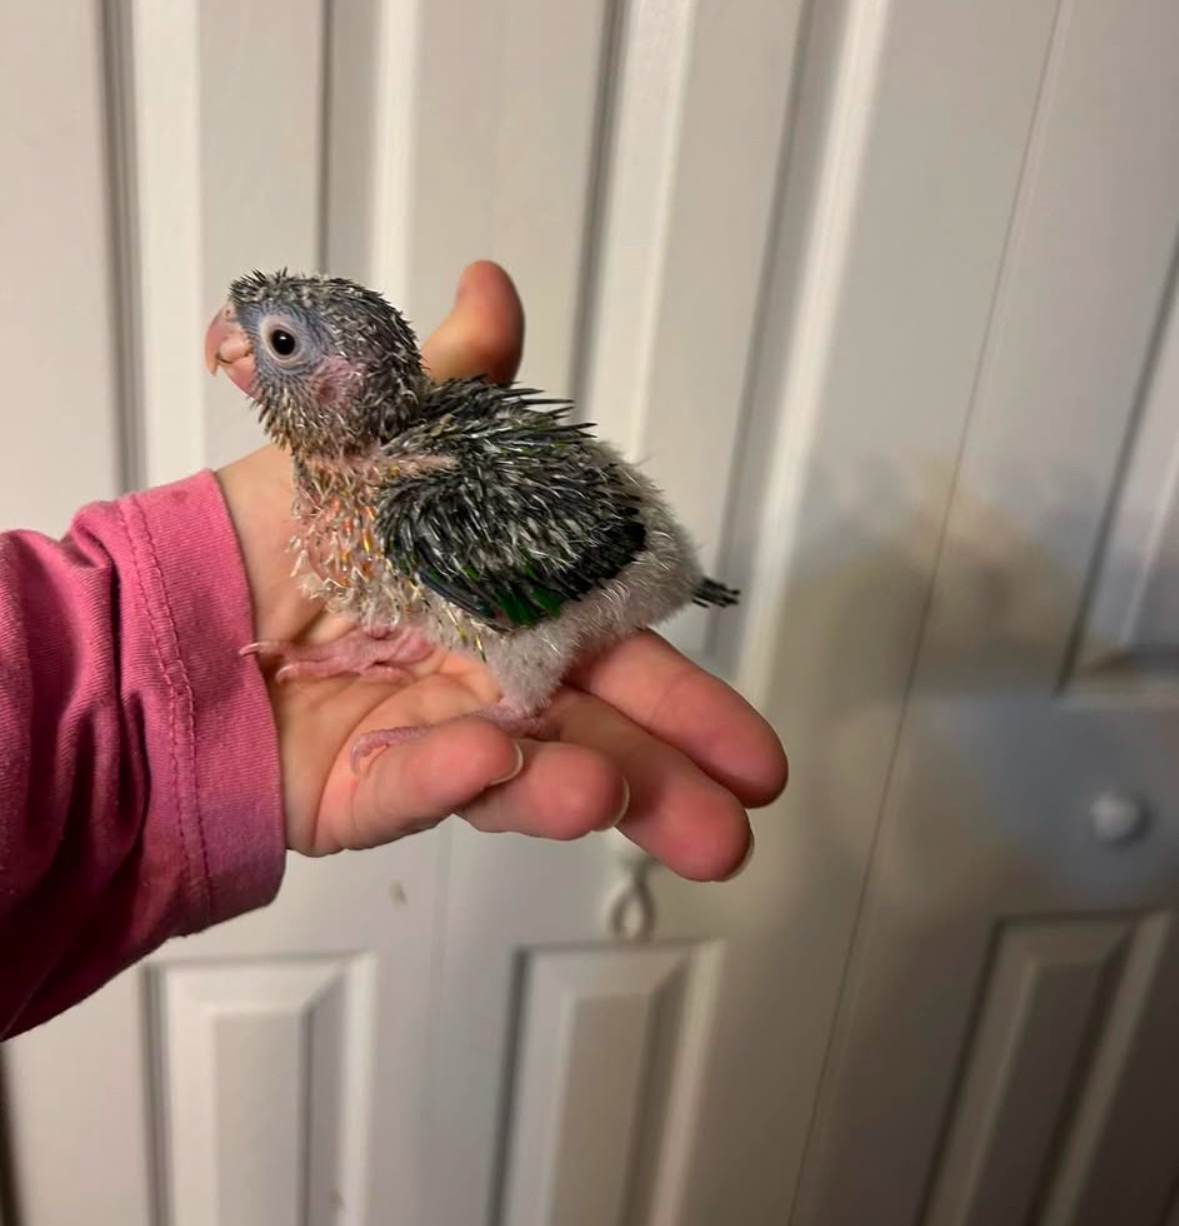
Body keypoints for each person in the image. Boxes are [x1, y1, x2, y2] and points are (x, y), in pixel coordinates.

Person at [0, 262, 787, 1040]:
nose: (229, 341)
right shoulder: (343, 482)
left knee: (486, 622)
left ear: (343, 384)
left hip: (614, 561)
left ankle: (511, 703)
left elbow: (536, 598)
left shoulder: (422, 503)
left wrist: (511, 703)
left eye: (277, 341)